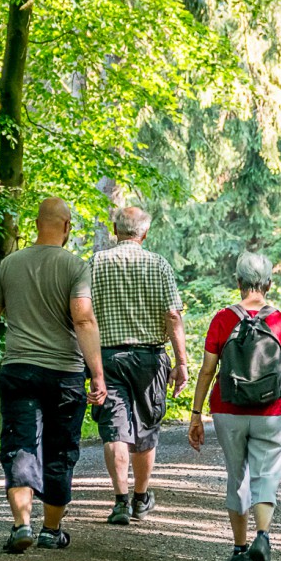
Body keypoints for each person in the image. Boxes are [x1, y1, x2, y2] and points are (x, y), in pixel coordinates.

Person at [0, 197, 107, 554]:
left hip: (19, 369)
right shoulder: (76, 267)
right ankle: (51, 529)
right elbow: (83, 319)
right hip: (64, 372)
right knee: (60, 450)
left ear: (37, 224)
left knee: (20, 445)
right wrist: (97, 373)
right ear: (66, 227)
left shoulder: (10, 264)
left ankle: (21, 525)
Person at [187, 252, 281, 561]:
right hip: (272, 411)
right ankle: (262, 538)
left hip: (229, 410)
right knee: (265, 475)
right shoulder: (280, 321)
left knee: (237, 474)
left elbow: (208, 370)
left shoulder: (223, 319)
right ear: (269, 284)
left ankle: (239, 551)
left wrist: (196, 415)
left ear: (237, 282)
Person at [89, 206, 189, 525]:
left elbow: (81, 316)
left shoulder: (95, 263)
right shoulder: (159, 264)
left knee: (114, 430)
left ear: (114, 230)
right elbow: (173, 315)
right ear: (144, 233)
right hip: (149, 358)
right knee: (145, 428)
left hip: (107, 358)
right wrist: (182, 362)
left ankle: (120, 501)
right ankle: (141, 498)